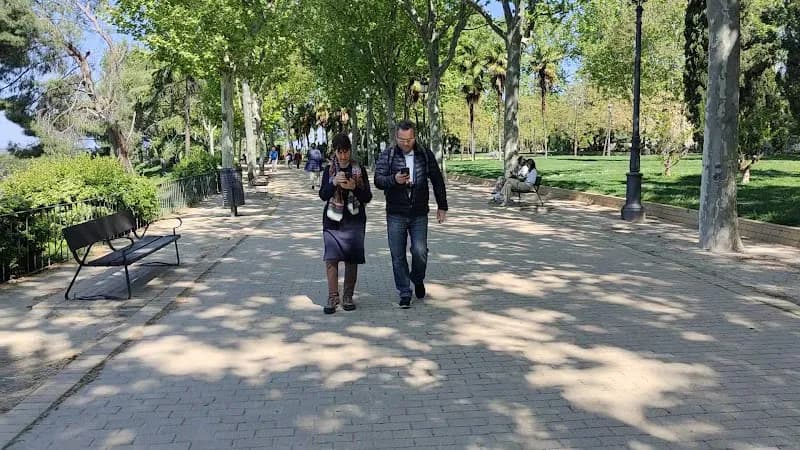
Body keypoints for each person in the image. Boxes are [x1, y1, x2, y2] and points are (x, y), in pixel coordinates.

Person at [374, 120, 448, 309]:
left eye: (410, 140)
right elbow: (378, 180)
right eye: (402, 140)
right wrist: (394, 179)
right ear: (396, 137)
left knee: (419, 251)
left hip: (418, 212)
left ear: (415, 137)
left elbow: (437, 179)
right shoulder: (388, 154)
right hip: (396, 212)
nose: (406, 144)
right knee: (397, 255)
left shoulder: (424, 154)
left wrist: (442, 206)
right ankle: (405, 291)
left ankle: (417, 278)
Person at [319, 133, 372, 314]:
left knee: (352, 258)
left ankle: (348, 296)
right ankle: (333, 297)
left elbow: (368, 197)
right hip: (333, 220)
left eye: (346, 152)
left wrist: (354, 187)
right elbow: (323, 195)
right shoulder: (328, 170)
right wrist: (334, 182)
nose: (343, 156)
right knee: (331, 258)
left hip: (355, 220)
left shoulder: (359, 169)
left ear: (350, 150)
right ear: (335, 152)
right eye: (340, 152)